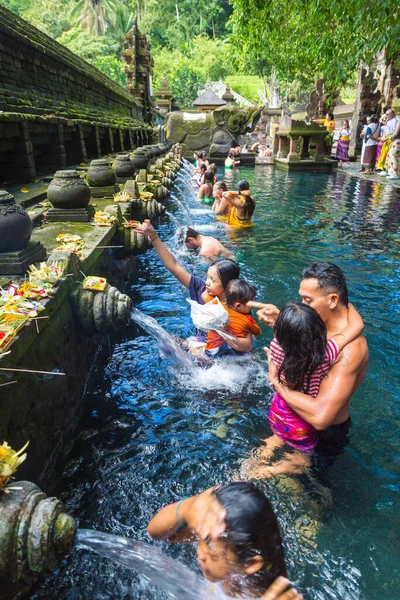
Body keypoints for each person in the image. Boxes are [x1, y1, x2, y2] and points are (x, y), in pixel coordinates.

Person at [254, 263, 369, 467]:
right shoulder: (320, 326)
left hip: (323, 435)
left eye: (308, 300)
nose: (303, 305)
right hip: (293, 416)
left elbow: (320, 418)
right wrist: (282, 321)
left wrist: (276, 383)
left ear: (332, 300)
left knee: (312, 490)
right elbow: (304, 344)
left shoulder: (350, 350)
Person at [147, 482, 296, 599]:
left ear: (250, 563)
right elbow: (157, 533)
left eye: (212, 554)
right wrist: (188, 509)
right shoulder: (219, 536)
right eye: (202, 539)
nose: (200, 553)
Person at [134, 219, 240, 344]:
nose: (207, 282)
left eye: (213, 280)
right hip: (201, 345)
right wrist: (154, 237)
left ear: (228, 285)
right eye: (207, 277)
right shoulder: (201, 288)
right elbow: (173, 265)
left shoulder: (237, 306)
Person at [203, 279, 261, 358]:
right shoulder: (247, 320)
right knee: (253, 341)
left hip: (212, 351)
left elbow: (204, 295)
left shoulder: (217, 305)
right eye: (251, 302)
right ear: (238, 306)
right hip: (233, 352)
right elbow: (257, 332)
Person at [378, 108, 398, 175]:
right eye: (386, 114)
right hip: (386, 139)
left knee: (388, 155)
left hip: (391, 139)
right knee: (384, 154)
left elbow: (394, 132)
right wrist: (383, 137)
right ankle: (383, 169)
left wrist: (387, 138)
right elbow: (385, 131)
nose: (386, 115)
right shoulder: (388, 121)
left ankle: (387, 170)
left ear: (392, 114)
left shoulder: (395, 121)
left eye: (387, 114)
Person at [384, 115, 400, 180]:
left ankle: (395, 174)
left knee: (393, 156)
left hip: (397, 140)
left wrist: (389, 137)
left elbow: (396, 132)